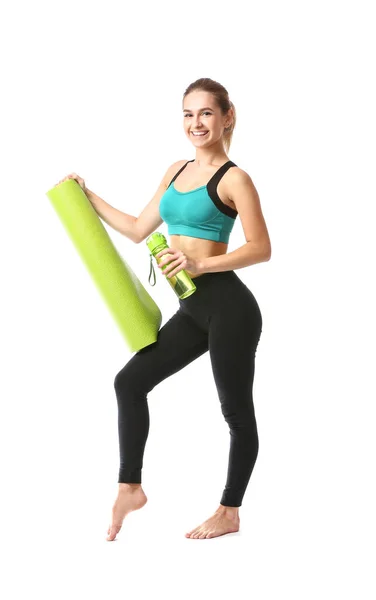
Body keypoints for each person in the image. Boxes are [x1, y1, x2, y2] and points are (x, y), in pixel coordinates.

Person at [57, 77, 271, 541]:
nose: (196, 123)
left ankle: (229, 511)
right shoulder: (176, 170)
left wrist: (200, 262)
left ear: (226, 117)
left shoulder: (235, 178)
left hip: (230, 309)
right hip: (193, 308)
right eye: (188, 114)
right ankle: (130, 486)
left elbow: (261, 248)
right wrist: (85, 194)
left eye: (206, 113)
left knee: (235, 413)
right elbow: (137, 228)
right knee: (129, 382)